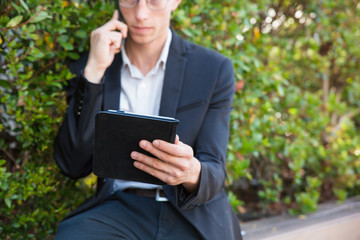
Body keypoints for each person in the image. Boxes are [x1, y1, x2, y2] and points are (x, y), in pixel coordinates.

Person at [54, 0, 242, 239]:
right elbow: (72, 164)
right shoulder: (92, 64)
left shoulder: (213, 69)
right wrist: (93, 72)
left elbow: (214, 169)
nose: (140, 14)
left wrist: (192, 173)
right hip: (118, 211)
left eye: (153, 1)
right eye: (130, 1)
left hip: (191, 215)